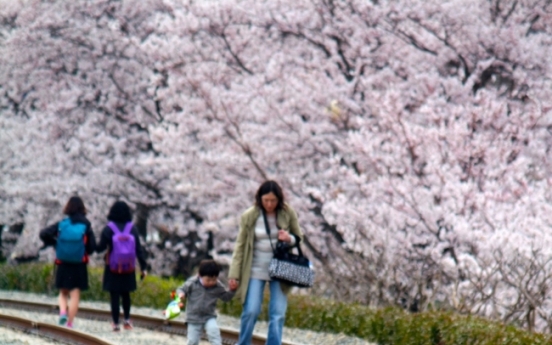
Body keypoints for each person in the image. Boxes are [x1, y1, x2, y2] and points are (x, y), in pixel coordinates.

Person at [228, 180, 304, 345]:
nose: (269, 204)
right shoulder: (250, 215)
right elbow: (240, 246)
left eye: (273, 201)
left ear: (279, 200)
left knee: (278, 314)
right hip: (254, 269)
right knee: (251, 310)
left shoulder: (287, 213)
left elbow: (299, 237)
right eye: (266, 200)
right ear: (259, 199)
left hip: (280, 269)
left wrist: (289, 238)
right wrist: (234, 274)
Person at [39, 196, 96, 328]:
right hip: (79, 264)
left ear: (68, 207)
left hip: (63, 263)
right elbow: (92, 247)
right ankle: (70, 323)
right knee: (75, 295)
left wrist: (55, 243)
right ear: (82, 208)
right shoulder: (86, 225)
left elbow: (43, 233)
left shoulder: (62, 224)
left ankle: (63, 313)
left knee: (63, 293)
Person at [96, 201, 147, 332]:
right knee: (126, 294)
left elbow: (100, 247)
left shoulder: (109, 228)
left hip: (113, 267)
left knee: (114, 295)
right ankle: (127, 320)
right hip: (128, 267)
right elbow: (138, 250)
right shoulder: (132, 229)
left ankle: (115, 323)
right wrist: (143, 267)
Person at [176, 259, 236, 345]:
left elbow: (225, 297)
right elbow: (181, 289)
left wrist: (232, 290)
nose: (211, 282)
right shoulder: (193, 283)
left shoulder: (217, 286)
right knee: (192, 341)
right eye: (208, 280)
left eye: (214, 279)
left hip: (209, 316)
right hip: (194, 317)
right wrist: (181, 294)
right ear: (200, 275)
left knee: (214, 332)